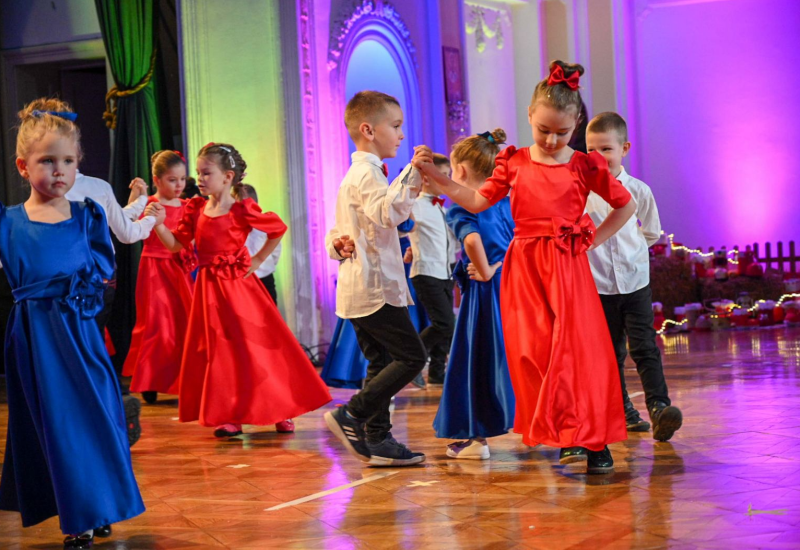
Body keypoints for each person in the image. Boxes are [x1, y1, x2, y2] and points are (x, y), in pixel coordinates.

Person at [414, 61, 636, 474]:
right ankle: (563, 432)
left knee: (576, 354)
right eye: (544, 130)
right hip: (525, 270)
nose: (552, 139)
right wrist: (437, 179)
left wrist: (590, 240)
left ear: (576, 125)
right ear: (530, 116)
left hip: (567, 268)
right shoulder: (512, 163)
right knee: (533, 355)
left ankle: (593, 440)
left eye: (562, 132)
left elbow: (626, 206)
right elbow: (477, 202)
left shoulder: (584, 166)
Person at [0, 98, 144, 549]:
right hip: (36, 341)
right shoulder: (8, 224)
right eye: (47, 161)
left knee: (99, 420)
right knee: (58, 426)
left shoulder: (89, 217)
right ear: (24, 167)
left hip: (81, 338)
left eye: (67, 161)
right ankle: (77, 516)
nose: (59, 171)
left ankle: (99, 505)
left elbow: (100, 276)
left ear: (78, 163)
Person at [148, 142, 331, 437]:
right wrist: (158, 225)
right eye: (199, 173)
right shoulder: (195, 209)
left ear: (228, 176)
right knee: (221, 353)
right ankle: (228, 414)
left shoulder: (241, 209)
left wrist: (257, 259)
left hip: (240, 288)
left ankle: (280, 408)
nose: (201, 179)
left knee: (256, 350)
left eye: (206, 173)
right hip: (209, 290)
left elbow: (277, 228)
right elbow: (176, 245)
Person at [323, 90, 429, 466]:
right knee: (412, 356)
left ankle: (379, 440)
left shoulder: (361, 174)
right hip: (373, 288)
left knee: (382, 362)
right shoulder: (365, 173)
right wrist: (414, 174)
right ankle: (351, 413)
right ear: (368, 130)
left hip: (365, 287)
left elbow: (337, 231)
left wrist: (339, 245)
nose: (401, 135)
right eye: (396, 126)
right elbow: (389, 214)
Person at [585, 111, 682, 441]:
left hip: (635, 282)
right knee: (610, 351)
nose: (598, 157)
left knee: (644, 346)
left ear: (624, 148)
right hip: (597, 285)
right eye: (591, 150)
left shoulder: (639, 190)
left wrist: (632, 253)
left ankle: (659, 408)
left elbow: (652, 232)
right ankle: (623, 408)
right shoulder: (581, 192)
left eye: (606, 149)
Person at [432, 129, 516, 460]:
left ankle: (474, 438)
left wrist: (483, 269)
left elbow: (471, 241)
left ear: (462, 172)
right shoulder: (506, 202)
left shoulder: (462, 207)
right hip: (513, 287)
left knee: (476, 360)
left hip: (484, 295)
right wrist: (499, 266)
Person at [122, 150, 196, 404]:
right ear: (157, 179)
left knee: (183, 323)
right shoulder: (149, 203)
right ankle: (150, 380)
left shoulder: (189, 206)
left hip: (181, 269)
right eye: (172, 180)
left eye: (182, 179)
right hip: (154, 268)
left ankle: (186, 379)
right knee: (156, 324)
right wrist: (136, 196)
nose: (179, 185)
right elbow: (127, 221)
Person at [406, 153, 457, 386]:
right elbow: (401, 227)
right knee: (445, 323)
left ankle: (437, 372)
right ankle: (412, 361)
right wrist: (408, 249)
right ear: (426, 179)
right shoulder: (416, 206)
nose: (447, 180)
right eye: (443, 176)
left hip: (446, 272)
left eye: (448, 175)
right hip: (426, 272)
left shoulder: (443, 210)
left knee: (446, 327)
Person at [233, 183, 282, 304]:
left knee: (269, 313)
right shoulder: (232, 228)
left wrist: (265, 264)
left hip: (265, 278)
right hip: (242, 280)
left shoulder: (265, 224)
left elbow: (275, 249)